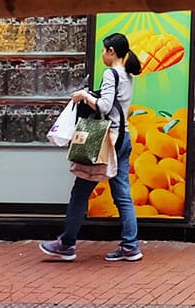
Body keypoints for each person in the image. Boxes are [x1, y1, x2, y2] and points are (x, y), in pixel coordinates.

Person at [42, 32, 144, 262]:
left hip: (105, 140)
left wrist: (84, 95)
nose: (102, 55)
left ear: (111, 51)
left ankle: (66, 244)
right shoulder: (127, 74)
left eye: (103, 50)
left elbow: (105, 106)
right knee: (123, 195)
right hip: (123, 137)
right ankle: (130, 246)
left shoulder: (111, 73)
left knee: (80, 191)